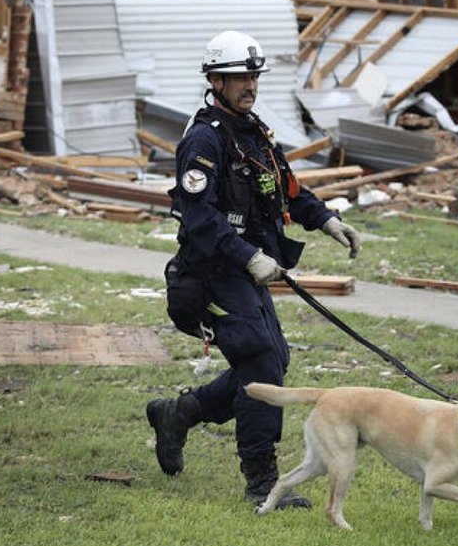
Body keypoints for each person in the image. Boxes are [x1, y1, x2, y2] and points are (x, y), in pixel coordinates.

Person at [147, 30, 362, 509]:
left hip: (247, 272)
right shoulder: (204, 140)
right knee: (262, 360)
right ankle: (261, 481)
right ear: (215, 80)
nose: (250, 85)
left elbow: (285, 189)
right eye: (239, 77)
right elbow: (198, 217)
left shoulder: (255, 132)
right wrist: (248, 255)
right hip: (211, 275)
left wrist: (327, 220)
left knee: (271, 361)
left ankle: (178, 413)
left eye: (253, 76)